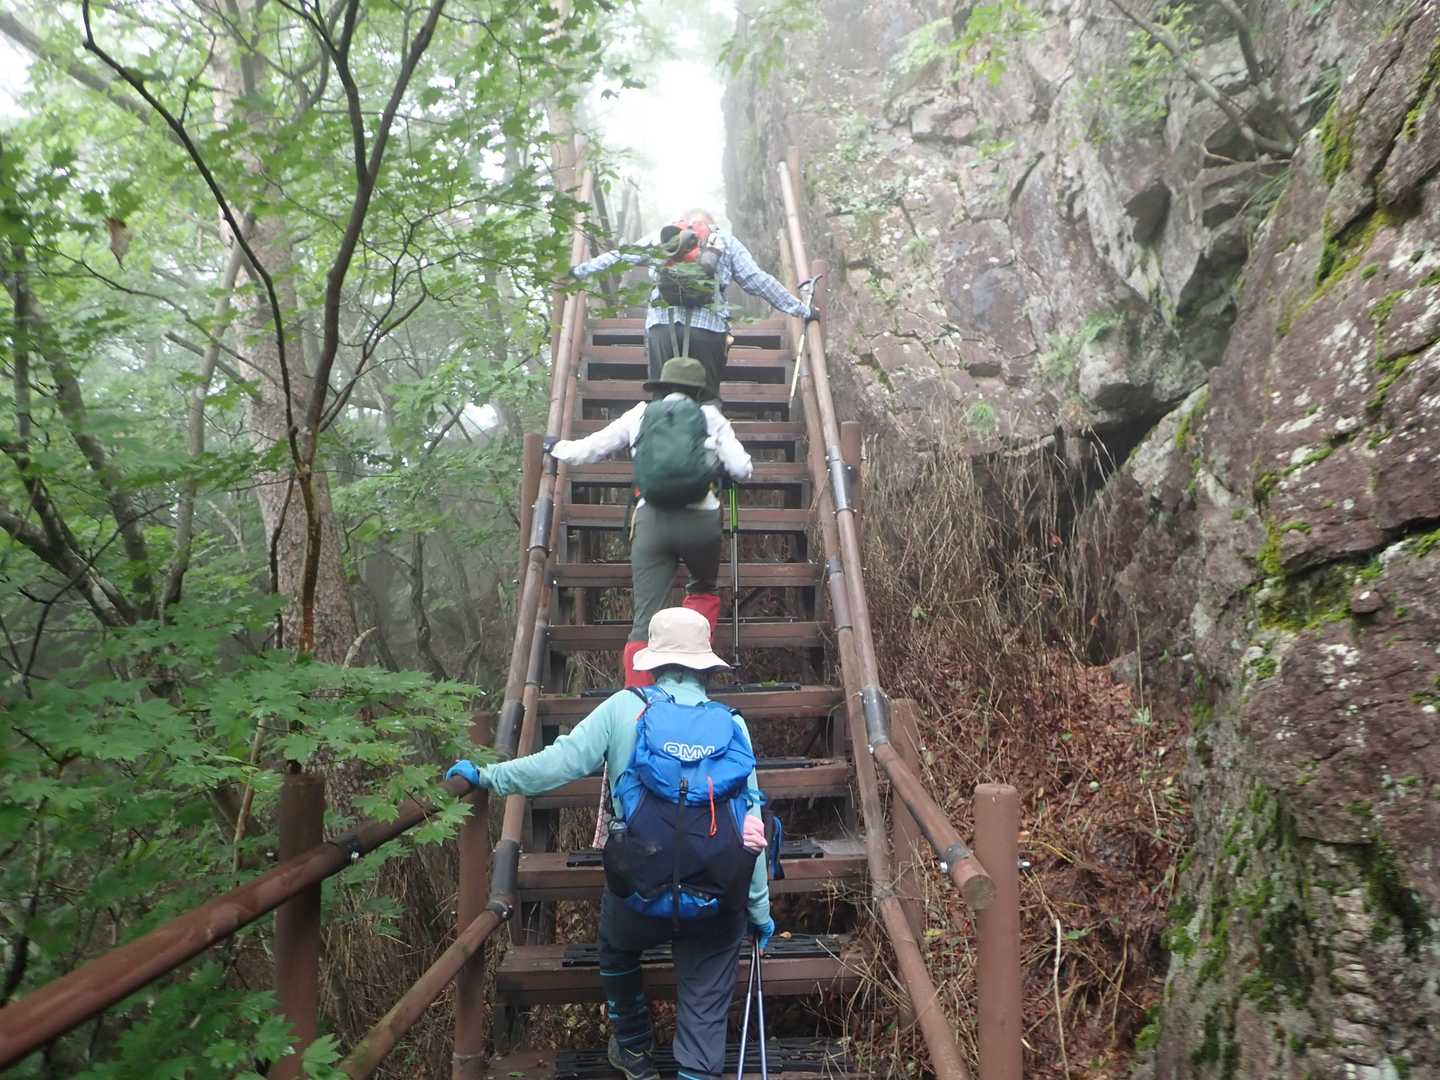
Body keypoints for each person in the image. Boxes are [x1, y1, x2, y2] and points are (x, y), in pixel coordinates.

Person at [445, 607, 776, 1080]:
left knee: (617, 945)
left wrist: (487, 775)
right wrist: (758, 912)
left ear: (654, 662)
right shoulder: (733, 725)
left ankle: (635, 1048)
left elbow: (556, 764)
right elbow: (751, 827)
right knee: (707, 988)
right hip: (717, 897)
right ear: (706, 667)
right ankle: (698, 1070)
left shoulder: (623, 708)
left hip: (639, 892)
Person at [547, 354, 752, 688]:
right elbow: (742, 469)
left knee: (645, 619)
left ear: (663, 387)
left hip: (651, 521)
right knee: (702, 588)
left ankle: (640, 700)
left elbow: (591, 449)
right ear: (699, 391)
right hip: (701, 522)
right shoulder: (710, 416)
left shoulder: (641, 413)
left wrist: (556, 448)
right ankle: (690, 683)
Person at [570, 208, 817, 402]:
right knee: (706, 401)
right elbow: (758, 281)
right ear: (712, 224)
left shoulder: (662, 236)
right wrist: (803, 310)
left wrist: (578, 271)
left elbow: (620, 255)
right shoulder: (725, 241)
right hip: (708, 332)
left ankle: (662, 444)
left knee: (662, 397)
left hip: (662, 328)